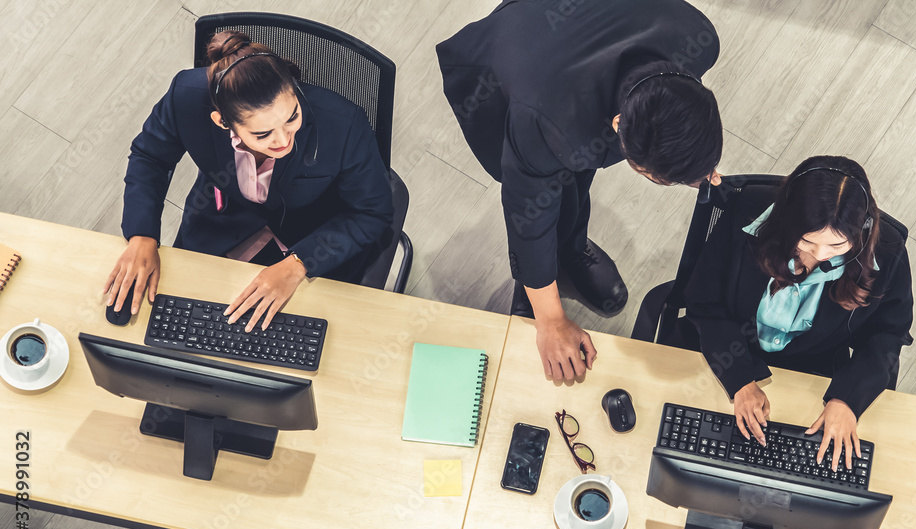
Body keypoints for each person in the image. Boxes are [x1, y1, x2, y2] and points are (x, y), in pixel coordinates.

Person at [437, 0, 724, 381]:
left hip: (584, 36)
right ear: (619, 124)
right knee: (550, 189)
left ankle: (571, 250)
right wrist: (551, 320)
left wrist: (693, 163)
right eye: (661, 179)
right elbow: (527, 217)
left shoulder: (697, 38)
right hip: (513, 60)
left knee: (576, 171)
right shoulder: (546, 123)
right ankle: (537, 286)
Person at [104, 31, 394, 331]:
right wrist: (142, 236)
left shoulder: (344, 124)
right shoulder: (186, 96)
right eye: (263, 134)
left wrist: (299, 264)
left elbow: (373, 212)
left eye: (292, 117)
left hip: (314, 238)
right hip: (223, 222)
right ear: (223, 122)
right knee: (177, 324)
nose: (284, 141)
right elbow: (151, 157)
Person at [684, 155, 914, 473]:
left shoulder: (888, 253)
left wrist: (847, 399)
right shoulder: (746, 210)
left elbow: (889, 333)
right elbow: (704, 302)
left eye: (837, 245)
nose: (820, 256)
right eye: (807, 241)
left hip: (812, 368)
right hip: (726, 347)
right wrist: (739, 378)